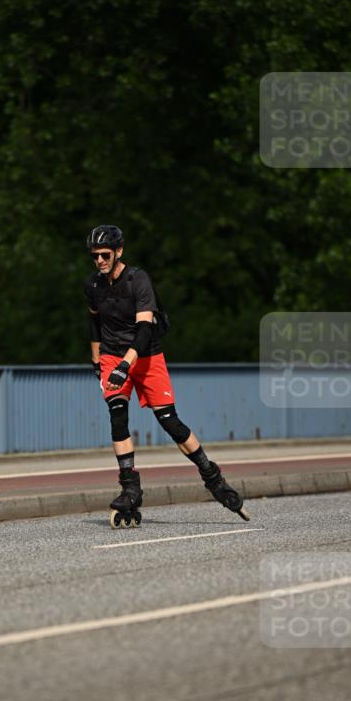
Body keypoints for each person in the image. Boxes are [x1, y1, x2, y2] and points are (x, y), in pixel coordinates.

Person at [84, 224, 250, 527]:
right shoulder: (93, 286)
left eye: (104, 255)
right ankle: (130, 489)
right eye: (94, 256)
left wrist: (126, 365)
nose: (99, 261)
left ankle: (212, 476)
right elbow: (94, 325)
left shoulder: (138, 280)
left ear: (118, 251)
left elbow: (145, 330)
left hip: (145, 356)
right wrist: (98, 363)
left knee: (169, 421)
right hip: (111, 356)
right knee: (117, 415)